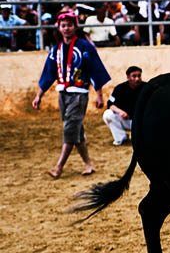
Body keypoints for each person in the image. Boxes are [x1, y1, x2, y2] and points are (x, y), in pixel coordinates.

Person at [32, 9, 112, 179]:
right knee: (76, 130)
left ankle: (58, 167)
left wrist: (99, 94)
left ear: (75, 27)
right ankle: (88, 164)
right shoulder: (56, 49)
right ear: (59, 28)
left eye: (69, 25)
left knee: (69, 130)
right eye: (63, 26)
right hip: (63, 93)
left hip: (79, 93)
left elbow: (94, 71)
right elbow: (49, 73)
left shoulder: (84, 47)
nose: (66, 28)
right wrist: (39, 95)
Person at [103, 66, 146, 146]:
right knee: (108, 114)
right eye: (134, 76)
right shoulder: (120, 88)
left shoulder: (147, 88)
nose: (137, 79)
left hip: (142, 122)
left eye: (139, 76)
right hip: (126, 120)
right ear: (128, 77)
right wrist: (121, 112)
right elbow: (110, 104)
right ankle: (121, 138)